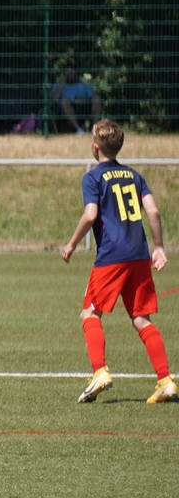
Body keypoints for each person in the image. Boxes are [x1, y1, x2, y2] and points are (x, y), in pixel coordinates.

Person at [61, 119, 176, 404]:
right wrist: (159, 247)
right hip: (139, 254)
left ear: (95, 147)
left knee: (90, 314)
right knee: (141, 318)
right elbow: (154, 212)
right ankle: (165, 380)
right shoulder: (135, 176)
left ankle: (99, 372)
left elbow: (90, 214)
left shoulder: (93, 178)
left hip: (112, 255)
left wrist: (72, 243)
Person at [50, 67, 102, 134]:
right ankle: (79, 129)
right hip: (66, 110)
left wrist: (83, 99)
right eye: (68, 74)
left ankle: (94, 128)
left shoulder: (83, 85)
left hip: (83, 107)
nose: (70, 75)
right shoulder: (59, 86)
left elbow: (93, 96)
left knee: (97, 99)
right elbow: (54, 99)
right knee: (64, 101)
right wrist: (63, 82)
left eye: (72, 73)